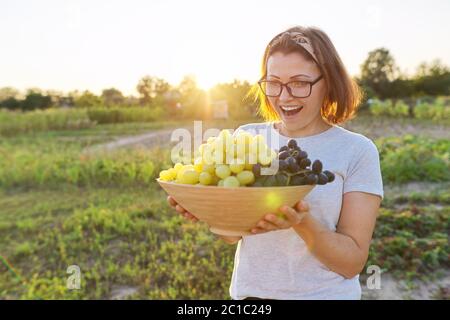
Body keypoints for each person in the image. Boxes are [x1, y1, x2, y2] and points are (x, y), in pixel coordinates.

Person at [167, 26, 383, 300]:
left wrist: (300, 221)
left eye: (299, 82)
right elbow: (234, 236)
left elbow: (351, 263)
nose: (283, 96)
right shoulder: (248, 138)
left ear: (327, 81)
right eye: (273, 82)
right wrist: (210, 210)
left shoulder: (357, 151)